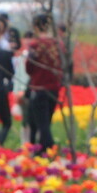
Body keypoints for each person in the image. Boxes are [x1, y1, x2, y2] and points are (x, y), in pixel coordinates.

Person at [25, 13, 63, 152]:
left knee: (42, 125)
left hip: (39, 87)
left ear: (35, 26)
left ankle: (50, 149)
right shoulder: (58, 44)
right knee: (46, 122)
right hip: (54, 88)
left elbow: (29, 68)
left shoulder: (35, 45)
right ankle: (41, 151)